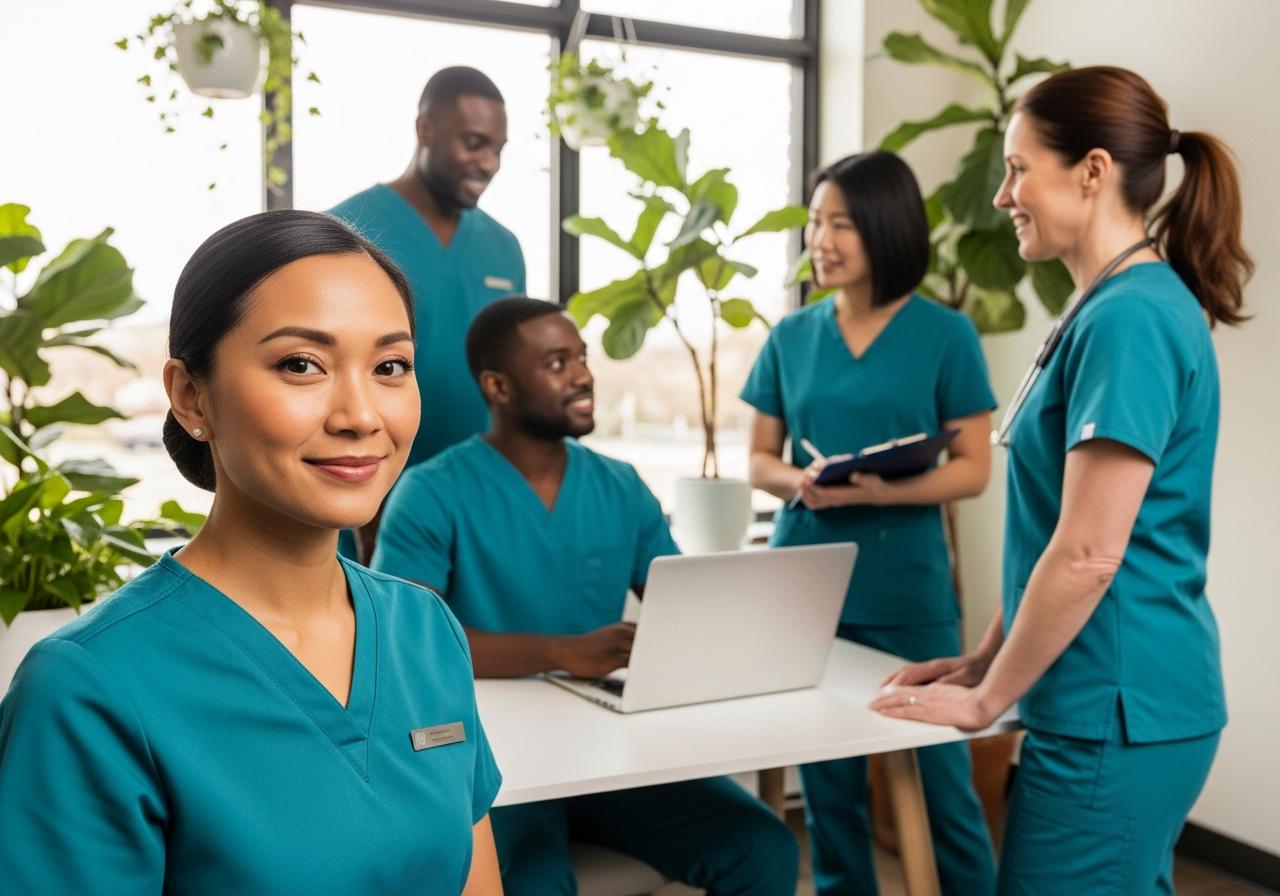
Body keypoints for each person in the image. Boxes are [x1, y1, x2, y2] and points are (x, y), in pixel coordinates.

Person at [0, 211, 503, 894]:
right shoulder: (86, 688)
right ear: (190, 396)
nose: (360, 415)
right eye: (302, 364)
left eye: (391, 366)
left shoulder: (426, 631)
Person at [871, 66, 1253, 895]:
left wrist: (984, 707)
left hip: (1117, 709)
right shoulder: (1104, 307)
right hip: (1109, 702)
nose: (1003, 194)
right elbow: (1054, 532)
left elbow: (1086, 553)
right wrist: (984, 661)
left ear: (1091, 170)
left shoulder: (1133, 318)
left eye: (1017, 168)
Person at [373, 296, 800, 895]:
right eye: (556, 362)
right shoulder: (431, 493)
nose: (582, 375)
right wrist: (562, 651)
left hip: (611, 756)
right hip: (497, 768)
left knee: (763, 848)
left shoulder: (621, 486)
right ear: (497, 386)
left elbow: (686, 610)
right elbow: (408, 645)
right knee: (536, 885)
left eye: (582, 357)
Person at [741, 151, 999, 896]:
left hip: (907, 590)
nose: (819, 239)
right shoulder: (792, 336)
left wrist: (878, 494)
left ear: (884, 230)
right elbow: (759, 459)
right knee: (828, 790)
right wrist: (806, 482)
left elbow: (973, 470)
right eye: (816, 222)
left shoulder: (947, 336)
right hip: (807, 585)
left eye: (840, 223)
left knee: (945, 779)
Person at [330, 65, 525, 560]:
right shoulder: (346, 232)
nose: (489, 163)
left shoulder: (505, 249)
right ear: (425, 130)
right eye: (474, 143)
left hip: (475, 505)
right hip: (366, 496)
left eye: (499, 149)